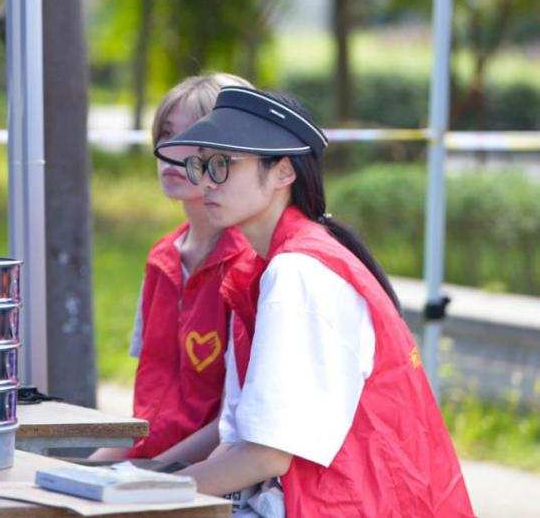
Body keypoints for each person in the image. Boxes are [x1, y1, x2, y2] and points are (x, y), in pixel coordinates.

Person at [156, 87, 473, 517]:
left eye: (224, 164)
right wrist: (147, 483)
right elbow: (237, 443)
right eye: (202, 164)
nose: (207, 180)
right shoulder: (268, 267)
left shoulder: (298, 272)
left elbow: (266, 456)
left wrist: (145, 493)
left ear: (283, 172)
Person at [106, 74, 257, 464]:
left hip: (210, 477)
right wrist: (91, 469)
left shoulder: (250, 267)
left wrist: (149, 476)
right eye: (166, 133)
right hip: (151, 466)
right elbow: (147, 415)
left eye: (192, 135)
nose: (170, 149)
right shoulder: (162, 258)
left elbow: (234, 424)